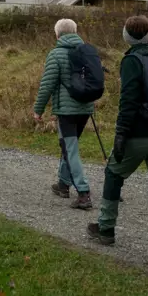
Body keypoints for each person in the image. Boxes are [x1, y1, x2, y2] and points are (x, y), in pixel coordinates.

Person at [87, 15, 148, 263]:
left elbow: (128, 101)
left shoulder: (132, 61)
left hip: (140, 132)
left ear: (126, 36)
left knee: (114, 173)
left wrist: (121, 134)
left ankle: (106, 228)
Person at [34, 18, 95, 210]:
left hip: (67, 110)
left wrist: (38, 109)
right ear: (75, 32)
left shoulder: (56, 54)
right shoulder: (87, 52)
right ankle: (63, 183)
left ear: (57, 34)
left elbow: (47, 85)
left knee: (70, 149)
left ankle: (83, 193)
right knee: (69, 146)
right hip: (85, 108)